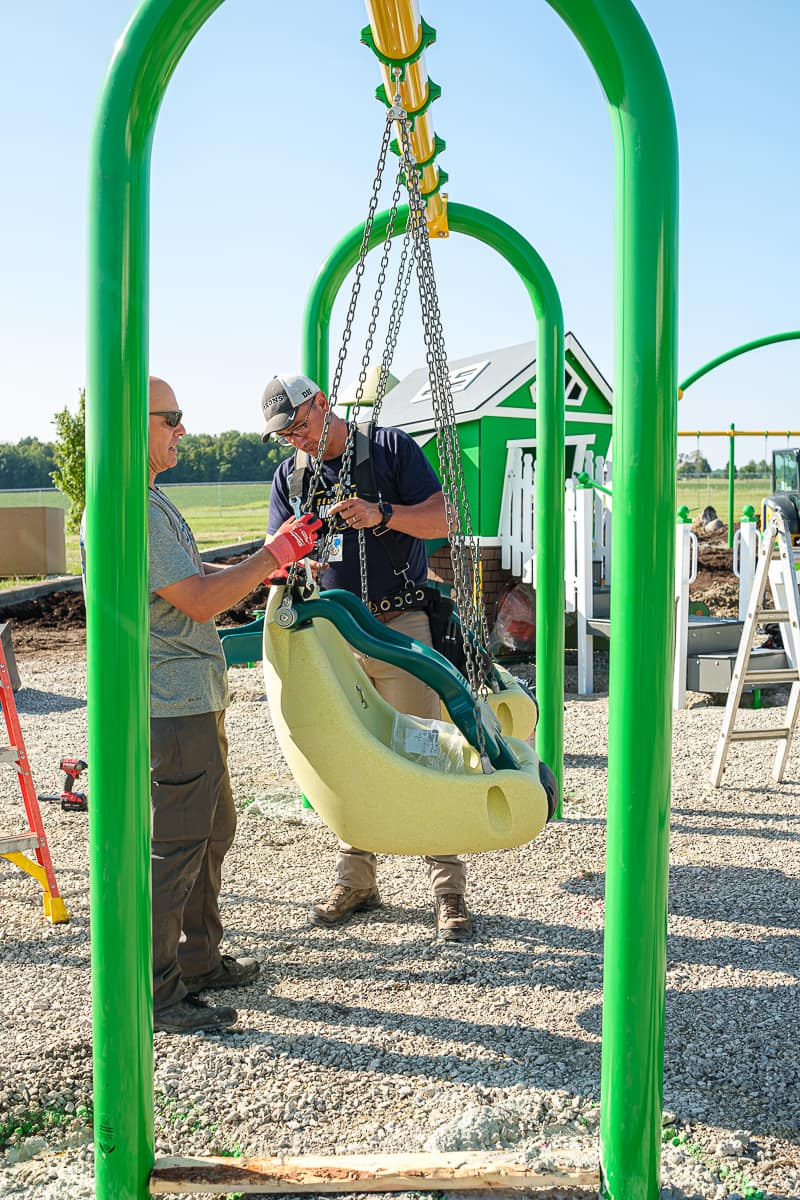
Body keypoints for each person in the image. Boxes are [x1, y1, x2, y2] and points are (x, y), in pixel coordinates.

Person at [261, 373, 474, 943]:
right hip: (333, 632)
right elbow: (274, 555)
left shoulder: (390, 449)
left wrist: (383, 515)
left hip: (398, 624)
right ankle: (356, 878)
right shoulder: (292, 477)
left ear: (323, 405)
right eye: (286, 436)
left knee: (421, 746)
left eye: (301, 427)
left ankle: (447, 888)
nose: (297, 441)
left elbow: (446, 518)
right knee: (346, 756)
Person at [147, 377, 320, 1033]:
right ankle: (160, 994)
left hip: (192, 698)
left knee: (212, 832)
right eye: (173, 419)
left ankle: (197, 959)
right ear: (138, 423)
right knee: (177, 848)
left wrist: (265, 567)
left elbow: (196, 588)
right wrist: (272, 554)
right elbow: (195, 598)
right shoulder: (136, 505)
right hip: (172, 705)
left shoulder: (154, 501)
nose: (183, 430)